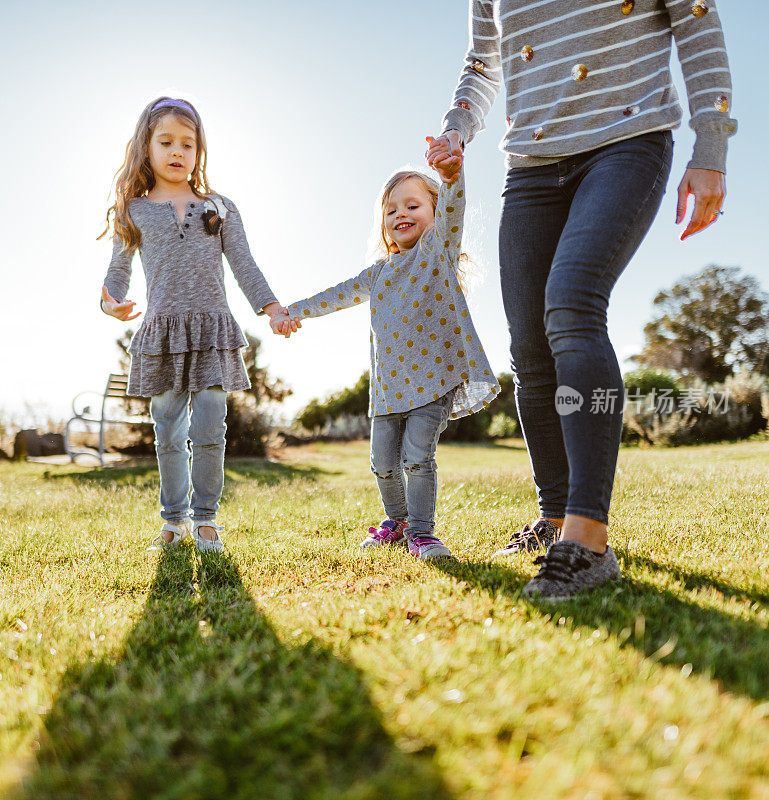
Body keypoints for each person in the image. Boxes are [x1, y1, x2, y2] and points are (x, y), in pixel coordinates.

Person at [427, 0, 736, 598]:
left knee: (571, 304)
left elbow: (697, 23)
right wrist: (456, 127)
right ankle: (555, 516)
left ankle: (589, 538)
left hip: (627, 141)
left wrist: (711, 151)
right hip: (532, 164)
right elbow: (483, 63)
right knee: (529, 346)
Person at [277, 148, 500, 560]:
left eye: (413, 205)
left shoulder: (437, 252)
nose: (401, 214)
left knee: (417, 458)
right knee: (382, 462)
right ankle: (396, 521)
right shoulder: (378, 274)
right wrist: (294, 312)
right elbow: (337, 294)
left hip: (434, 381)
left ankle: (423, 532)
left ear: (434, 212)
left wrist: (452, 177)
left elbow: (455, 206)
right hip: (388, 388)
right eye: (391, 209)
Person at [99, 97, 294, 552]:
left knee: (210, 428)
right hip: (164, 334)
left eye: (188, 143)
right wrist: (110, 303)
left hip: (212, 331)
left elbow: (245, 265)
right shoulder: (134, 210)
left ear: (199, 150)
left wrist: (272, 307)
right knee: (167, 431)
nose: (177, 151)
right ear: (145, 147)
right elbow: (117, 272)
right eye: (166, 141)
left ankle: (206, 521)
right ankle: (174, 521)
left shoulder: (220, 207)